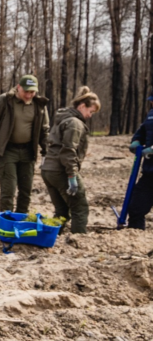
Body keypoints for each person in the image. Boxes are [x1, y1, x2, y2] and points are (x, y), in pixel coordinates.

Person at [0, 75, 50, 213]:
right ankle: (6, 222)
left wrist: (47, 152)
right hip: (7, 151)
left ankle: (21, 220)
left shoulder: (39, 105)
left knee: (26, 191)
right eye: (26, 91)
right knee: (9, 190)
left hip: (28, 152)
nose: (29, 95)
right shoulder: (4, 101)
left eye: (32, 92)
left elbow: (44, 131)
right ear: (18, 88)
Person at [41, 86, 101, 234]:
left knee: (61, 210)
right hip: (61, 170)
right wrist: (72, 176)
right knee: (80, 208)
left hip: (48, 169)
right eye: (90, 111)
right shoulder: (74, 123)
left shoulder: (62, 118)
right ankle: (78, 239)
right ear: (82, 106)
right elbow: (68, 151)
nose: (90, 115)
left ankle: (49, 236)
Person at [127, 95, 153, 229]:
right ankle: (132, 239)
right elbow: (143, 131)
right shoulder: (150, 115)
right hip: (149, 171)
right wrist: (136, 141)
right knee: (136, 207)